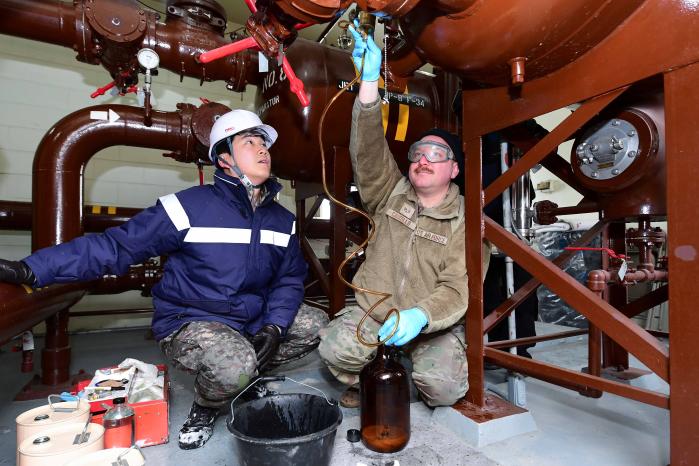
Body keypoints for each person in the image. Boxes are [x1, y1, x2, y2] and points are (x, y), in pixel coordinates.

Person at [0, 109, 328, 449]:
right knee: (235, 366)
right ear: (225, 158)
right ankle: (208, 403)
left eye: (264, 144)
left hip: (250, 317)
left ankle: (242, 377)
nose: (263, 150)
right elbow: (115, 246)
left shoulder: (281, 219)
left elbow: (289, 280)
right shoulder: (186, 208)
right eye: (250, 142)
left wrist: (274, 327)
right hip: (194, 319)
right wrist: (33, 269)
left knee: (315, 325)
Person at [318, 25, 490, 408]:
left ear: (454, 170)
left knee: (442, 390)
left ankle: (406, 372)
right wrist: (368, 85)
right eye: (417, 153)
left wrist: (420, 315)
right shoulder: (389, 193)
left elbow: (457, 289)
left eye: (436, 154)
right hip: (375, 312)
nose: (423, 159)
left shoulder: (467, 220)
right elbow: (367, 150)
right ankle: (371, 374)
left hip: (429, 323)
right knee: (334, 350)